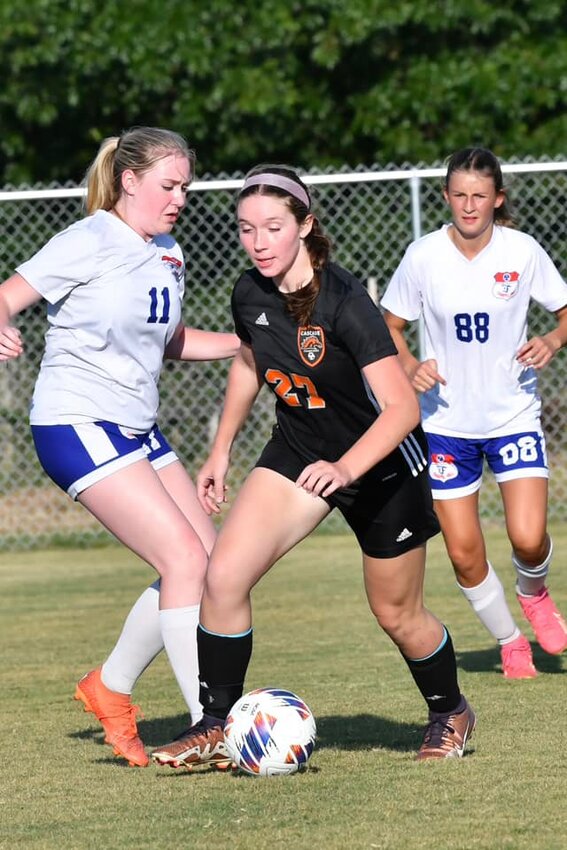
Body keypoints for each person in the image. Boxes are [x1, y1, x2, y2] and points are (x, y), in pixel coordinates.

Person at [150, 163, 476, 769]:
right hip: (299, 450)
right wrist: (221, 448)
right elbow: (250, 365)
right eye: (246, 229)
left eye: (272, 227)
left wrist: (347, 468)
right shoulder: (249, 291)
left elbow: (402, 408)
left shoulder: (346, 302)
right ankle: (216, 723)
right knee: (223, 577)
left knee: (396, 613)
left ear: (304, 225)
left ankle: (450, 711)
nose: (259, 242)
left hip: (380, 467)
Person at [0, 127, 240, 767]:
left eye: (186, 185)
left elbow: (171, 340)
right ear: (129, 180)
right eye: (169, 185)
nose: (180, 197)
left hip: (136, 427)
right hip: (76, 422)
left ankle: (110, 687)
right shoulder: (88, 240)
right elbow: (6, 297)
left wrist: (250, 346)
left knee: (210, 563)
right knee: (186, 559)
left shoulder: (168, 251)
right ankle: (209, 726)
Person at [380, 147, 567, 680]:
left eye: (479, 196)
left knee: (528, 538)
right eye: (459, 195)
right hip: (445, 425)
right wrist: (411, 364)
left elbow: (565, 313)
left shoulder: (523, 251)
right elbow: (388, 324)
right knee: (464, 554)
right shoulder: (423, 256)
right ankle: (510, 641)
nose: (468, 205)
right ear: (445, 197)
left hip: (512, 414)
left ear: (497, 199)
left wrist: (553, 339)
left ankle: (534, 593)